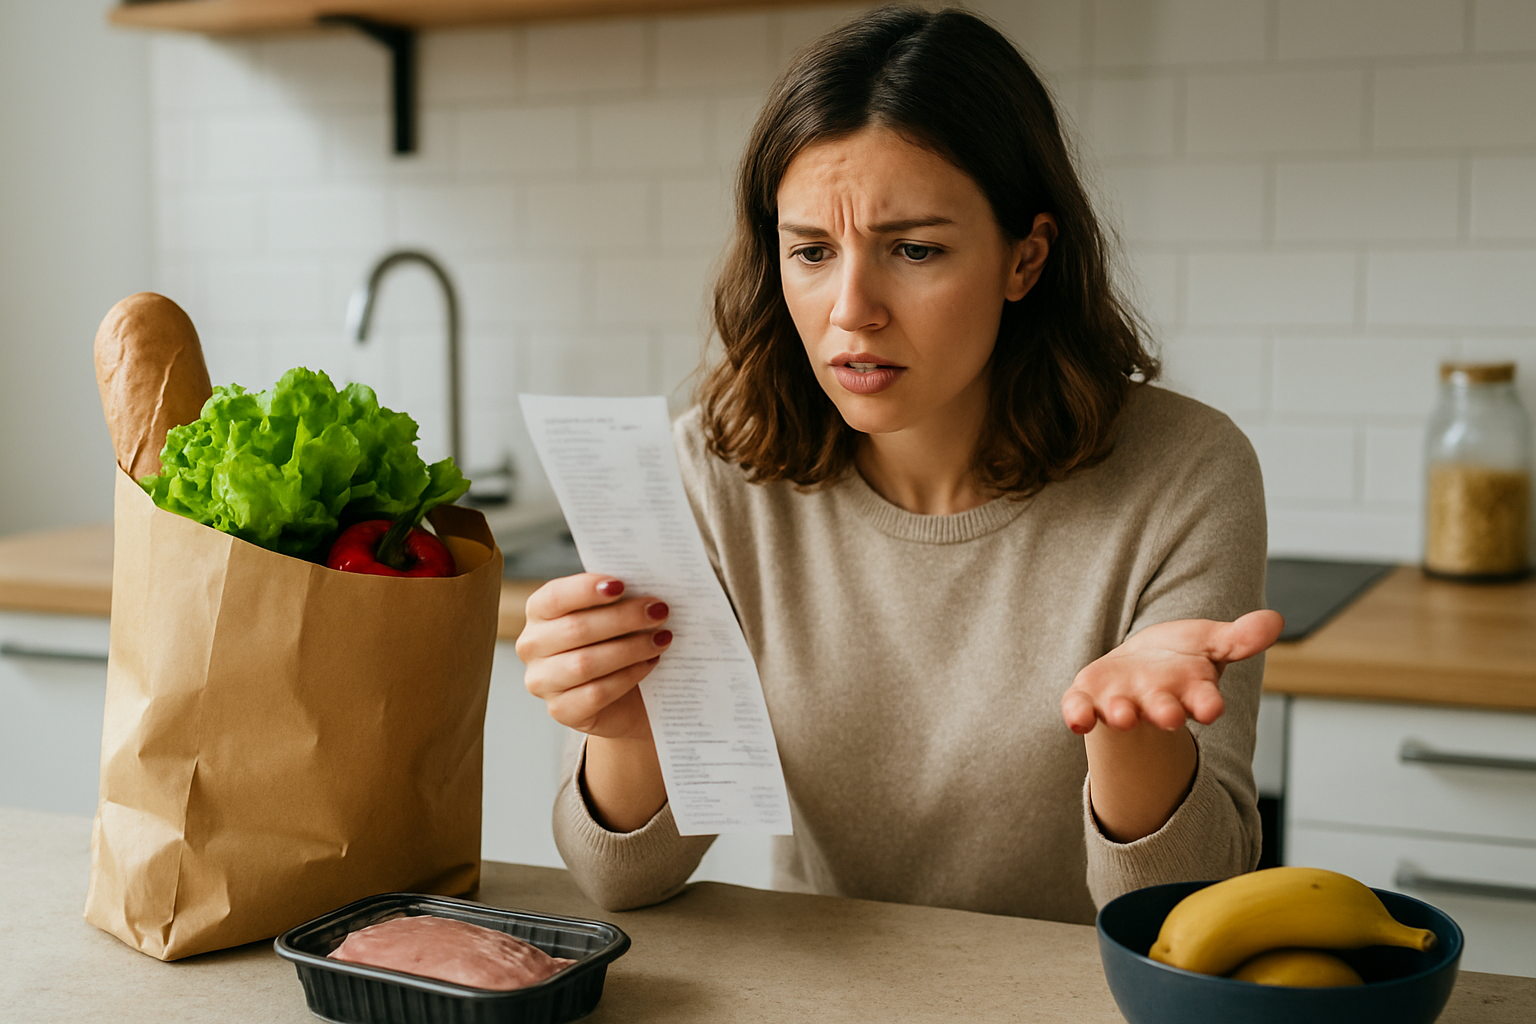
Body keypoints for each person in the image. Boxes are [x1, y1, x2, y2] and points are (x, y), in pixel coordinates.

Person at [514, 5, 1282, 925]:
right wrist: (634, 732)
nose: (853, 310)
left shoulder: (1186, 474)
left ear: (1025, 258)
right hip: (834, 988)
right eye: (810, 252)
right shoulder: (712, 475)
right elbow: (622, 883)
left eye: (915, 250)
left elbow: (1180, 916)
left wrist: (1136, 736)